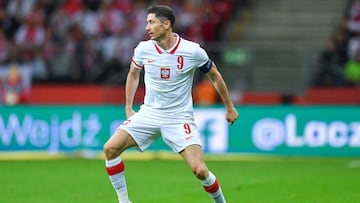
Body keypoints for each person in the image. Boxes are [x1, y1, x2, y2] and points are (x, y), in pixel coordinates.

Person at [103, 5, 238, 203]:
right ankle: (124, 201)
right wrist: (128, 107)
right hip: (149, 113)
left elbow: (215, 76)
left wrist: (229, 107)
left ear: (166, 24)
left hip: (178, 118)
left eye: (151, 22)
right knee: (110, 149)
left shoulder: (192, 51)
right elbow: (133, 75)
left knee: (200, 170)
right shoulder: (143, 49)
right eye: (147, 22)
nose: (147, 27)